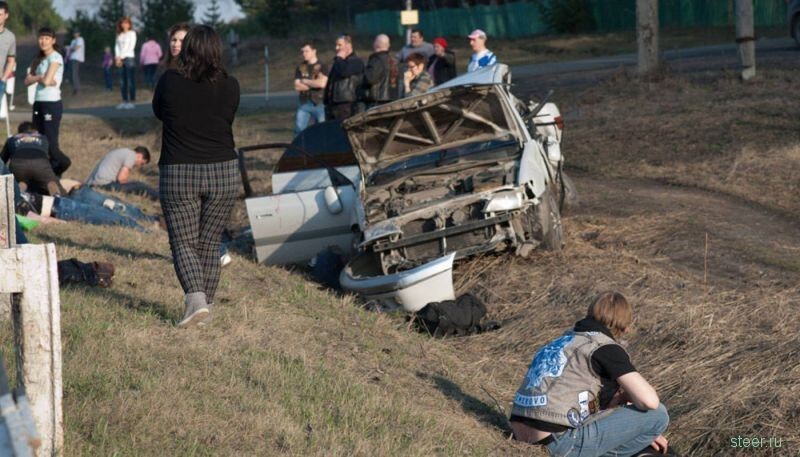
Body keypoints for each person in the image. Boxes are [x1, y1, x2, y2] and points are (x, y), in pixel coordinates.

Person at [509, 292, 672, 457]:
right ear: (625, 327)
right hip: (556, 443)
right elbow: (649, 401)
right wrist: (641, 430)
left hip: (520, 432)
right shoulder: (604, 347)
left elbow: (579, 404)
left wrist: (625, 414)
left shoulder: (563, 341)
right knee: (658, 415)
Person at [153, 25, 241, 328]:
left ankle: (196, 300)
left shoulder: (170, 81)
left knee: (184, 242)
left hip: (180, 171)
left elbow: (158, 112)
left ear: (188, 48)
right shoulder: (231, 85)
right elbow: (227, 118)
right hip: (225, 172)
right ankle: (205, 309)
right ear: (216, 50)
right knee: (209, 242)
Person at [24, 27, 71, 178]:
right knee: (38, 141)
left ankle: (64, 164)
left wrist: (40, 78)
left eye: (47, 38)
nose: (43, 41)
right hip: (38, 103)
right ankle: (45, 174)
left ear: (53, 41)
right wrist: (41, 78)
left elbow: (47, 80)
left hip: (51, 104)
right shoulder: (39, 59)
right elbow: (27, 81)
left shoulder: (55, 57)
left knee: (50, 144)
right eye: (41, 38)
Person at [1, 122, 64, 196]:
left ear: (19, 132)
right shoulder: (43, 138)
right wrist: (54, 172)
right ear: (35, 131)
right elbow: (59, 158)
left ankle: (19, 194)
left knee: (20, 182)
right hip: (41, 165)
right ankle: (57, 197)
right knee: (51, 183)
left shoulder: (12, 139)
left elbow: (2, 160)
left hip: (18, 165)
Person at [85, 146, 158, 200]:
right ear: (139, 156)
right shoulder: (131, 155)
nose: (139, 165)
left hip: (95, 183)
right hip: (104, 184)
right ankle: (161, 197)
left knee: (134, 186)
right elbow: (121, 178)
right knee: (140, 185)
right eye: (142, 163)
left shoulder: (122, 152)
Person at [323, 34, 364, 121]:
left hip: (346, 106)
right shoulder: (339, 62)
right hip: (333, 106)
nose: (336, 48)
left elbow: (344, 72)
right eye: (336, 45)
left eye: (339, 45)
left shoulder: (356, 61)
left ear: (348, 46)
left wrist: (339, 58)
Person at [293, 41, 327, 134]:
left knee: (322, 131)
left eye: (306, 51)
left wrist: (305, 81)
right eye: (302, 52)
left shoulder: (321, 66)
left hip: (319, 103)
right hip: (304, 103)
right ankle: (298, 148)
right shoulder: (301, 67)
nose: (304, 54)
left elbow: (322, 84)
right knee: (299, 130)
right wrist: (314, 83)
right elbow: (297, 86)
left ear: (314, 51)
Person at [363, 34, 397, 108]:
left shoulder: (376, 60)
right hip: (391, 101)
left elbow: (370, 79)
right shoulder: (392, 60)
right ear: (388, 45)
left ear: (376, 44)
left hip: (377, 101)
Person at [114, 17, 137, 109]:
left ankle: (132, 101)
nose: (125, 25)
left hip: (129, 58)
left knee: (130, 80)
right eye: (123, 23)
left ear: (129, 24)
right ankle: (124, 100)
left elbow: (131, 47)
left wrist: (121, 57)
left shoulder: (132, 33)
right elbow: (116, 46)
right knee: (122, 81)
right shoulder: (119, 35)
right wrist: (117, 57)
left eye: (126, 23)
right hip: (120, 59)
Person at [0, 1, 17, 103]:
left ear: (6, 15)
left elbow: (11, 60)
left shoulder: (10, 37)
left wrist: (4, 79)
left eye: (0, 15)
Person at [67, 30, 84, 94]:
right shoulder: (73, 41)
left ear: (79, 33)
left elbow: (76, 48)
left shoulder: (80, 39)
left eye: (76, 33)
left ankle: (77, 89)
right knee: (71, 74)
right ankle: (75, 88)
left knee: (74, 74)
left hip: (77, 58)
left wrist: (71, 48)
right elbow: (70, 49)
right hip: (72, 58)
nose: (75, 34)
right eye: (74, 33)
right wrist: (71, 49)